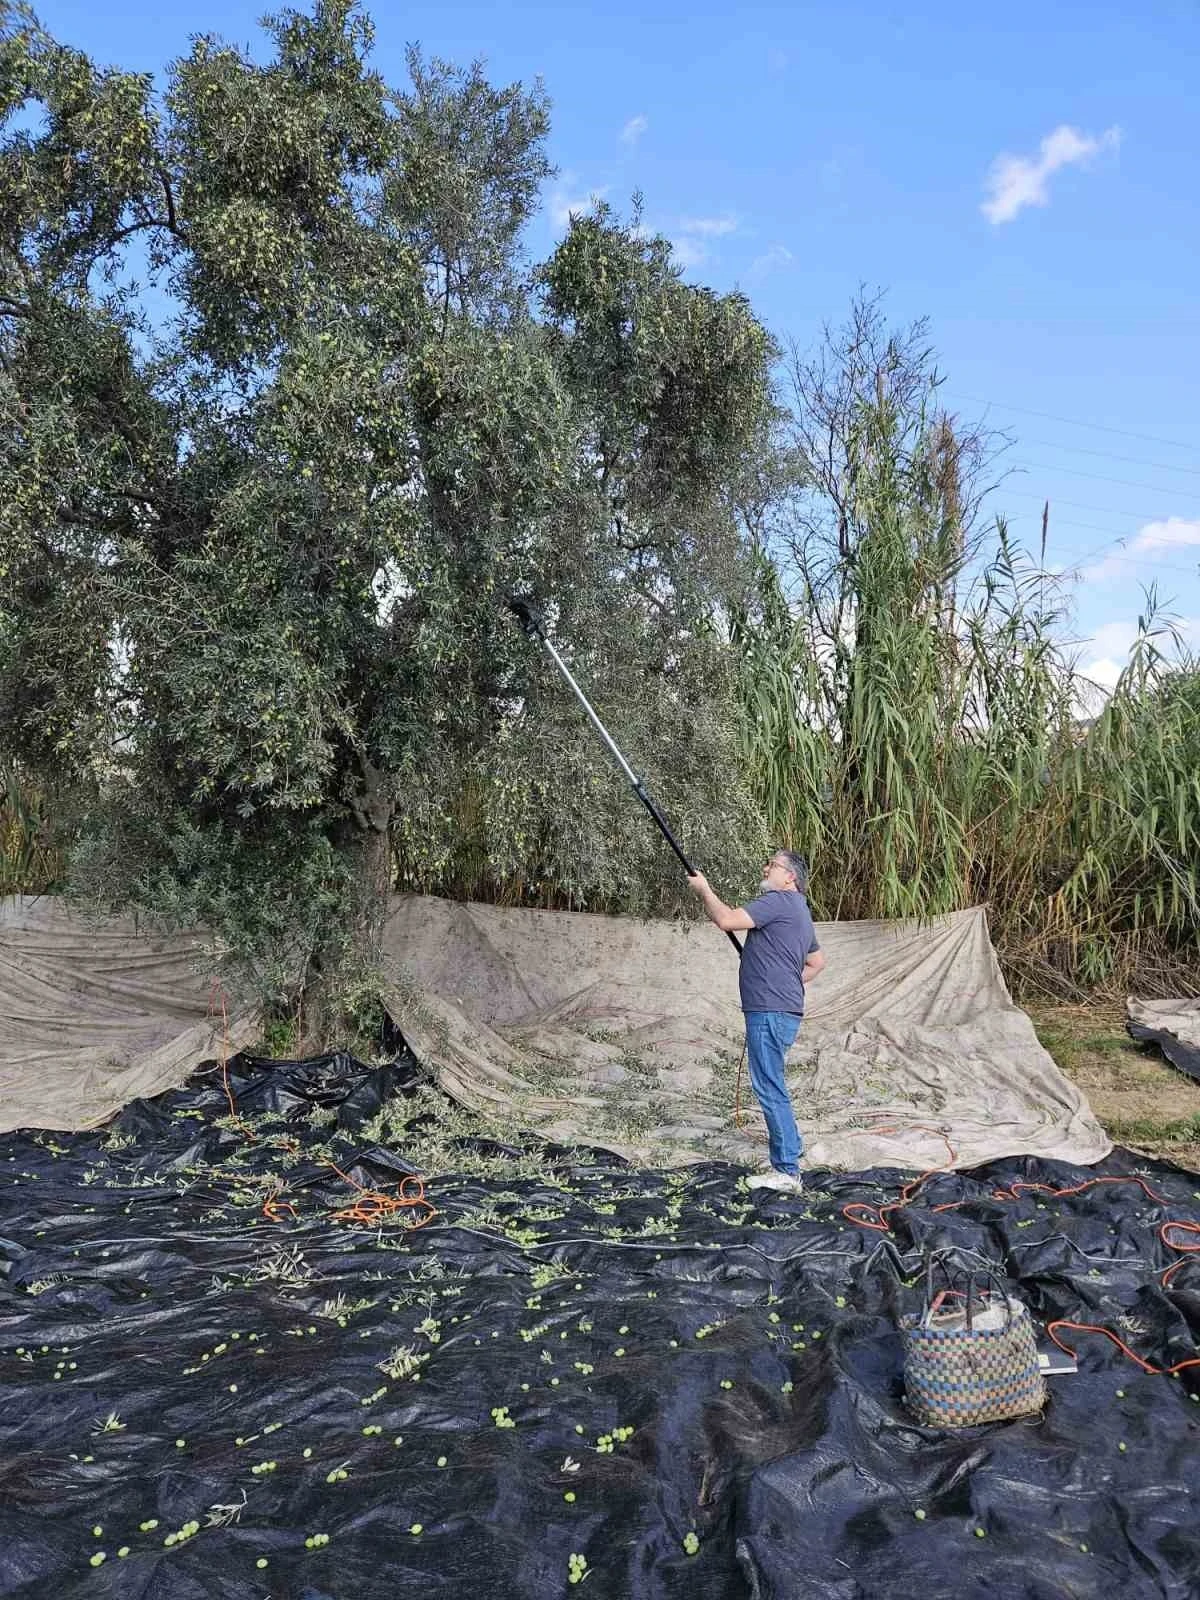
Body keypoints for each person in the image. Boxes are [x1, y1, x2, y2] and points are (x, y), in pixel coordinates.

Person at [687, 850, 825, 1192]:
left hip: (769, 1011)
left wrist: (704, 889)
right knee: (773, 1081)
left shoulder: (778, 900)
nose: (766, 868)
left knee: (769, 1086)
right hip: (781, 1009)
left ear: (789, 877)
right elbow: (817, 963)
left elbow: (727, 920)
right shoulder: (800, 911)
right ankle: (792, 1148)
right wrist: (785, 978)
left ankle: (786, 1171)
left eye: (773, 865)